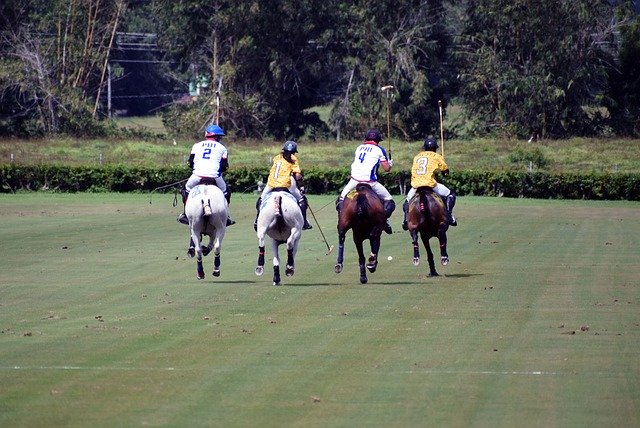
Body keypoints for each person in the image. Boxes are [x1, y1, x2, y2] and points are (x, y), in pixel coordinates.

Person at [336, 129, 395, 234]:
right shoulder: (380, 150)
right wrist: (390, 164)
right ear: (377, 140)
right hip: (370, 182)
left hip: (354, 181)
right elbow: (386, 169)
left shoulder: (359, 148)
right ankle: (383, 221)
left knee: (341, 199)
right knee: (389, 200)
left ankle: (342, 221)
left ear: (366, 139)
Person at [177, 124, 235, 226]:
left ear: (207, 135)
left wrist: (196, 169)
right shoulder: (222, 148)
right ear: (216, 137)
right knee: (226, 192)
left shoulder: (196, 145)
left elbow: (190, 163)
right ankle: (227, 216)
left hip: (197, 176)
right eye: (219, 137)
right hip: (215, 177)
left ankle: (186, 214)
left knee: (186, 189)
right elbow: (224, 166)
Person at [254, 140, 313, 231]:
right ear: (294, 152)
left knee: (261, 199)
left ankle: (257, 221)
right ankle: (304, 222)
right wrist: (301, 187)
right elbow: (297, 175)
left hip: (271, 184)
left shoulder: (276, 157)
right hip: (285, 184)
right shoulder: (293, 159)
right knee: (301, 199)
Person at [402, 136, 457, 230]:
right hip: (430, 184)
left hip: (416, 185)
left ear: (425, 148)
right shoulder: (437, 156)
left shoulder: (417, 157)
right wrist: (445, 172)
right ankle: (449, 216)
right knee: (450, 195)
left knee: (407, 201)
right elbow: (445, 171)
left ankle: (406, 220)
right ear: (435, 148)